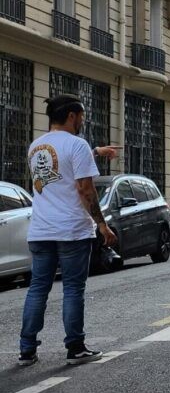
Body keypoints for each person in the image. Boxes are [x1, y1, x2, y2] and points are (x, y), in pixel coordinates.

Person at [18, 94, 118, 367]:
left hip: (40, 229)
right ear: (72, 116)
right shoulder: (77, 144)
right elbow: (84, 189)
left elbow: (58, 167)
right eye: (82, 116)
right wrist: (102, 224)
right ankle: (75, 347)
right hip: (72, 230)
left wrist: (96, 152)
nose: (83, 121)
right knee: (73, 289)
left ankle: (27, 349)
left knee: (38, 288)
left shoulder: (36, 146)